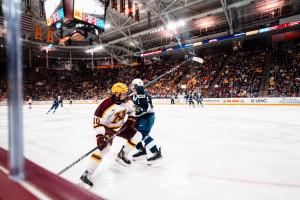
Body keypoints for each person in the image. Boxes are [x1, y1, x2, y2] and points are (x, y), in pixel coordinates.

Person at [78, 83, 143, 189]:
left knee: (138, 136)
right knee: (104, 149)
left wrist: (131, 119)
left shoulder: (128, 100)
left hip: (121, 127)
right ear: (115, 94)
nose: (125, 96)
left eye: (125, 93)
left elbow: (132, 111)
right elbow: (98, 122)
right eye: (122, 94)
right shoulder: (106, 104)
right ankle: (87, 174)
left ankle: (123, 154)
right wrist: (100, 137)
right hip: (108, 128)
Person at [129, 79, 162, 165]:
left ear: (136, 86)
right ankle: (141, 150)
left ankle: (156, 153)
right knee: (133, 133)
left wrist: (141, 96)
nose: (131, 86)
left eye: (132, 85)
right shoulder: (131, 97)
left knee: (142, 134)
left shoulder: (146, 95)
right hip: (137, 117)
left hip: (147, 116)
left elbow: (146, 108)